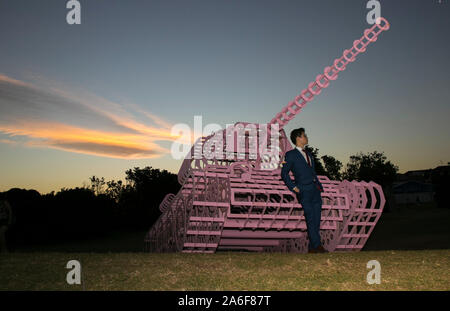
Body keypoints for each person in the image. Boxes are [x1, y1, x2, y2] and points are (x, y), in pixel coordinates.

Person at [281, 127, 328, 253]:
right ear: (298, 138)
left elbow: (312, 171)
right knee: (311, 218)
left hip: (315, 189)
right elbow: (284, 174)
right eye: (304, 135)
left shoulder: (309, 154)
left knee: (317, 219)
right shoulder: (290, 155)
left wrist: (318, 186)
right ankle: (317, 246)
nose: (306, 137)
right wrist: (294, 187)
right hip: (303, 191)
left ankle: (313, 247)